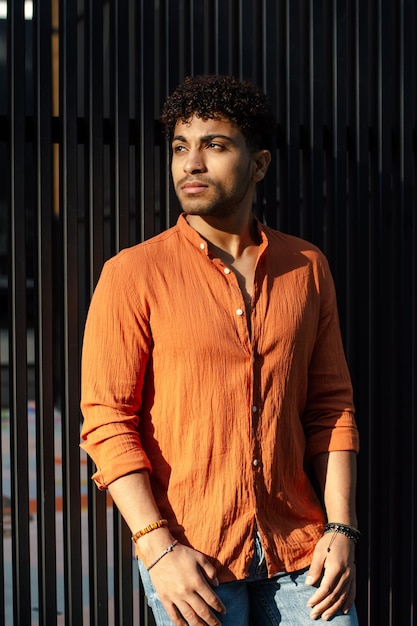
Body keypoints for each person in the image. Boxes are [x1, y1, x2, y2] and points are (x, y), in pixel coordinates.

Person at [80, 74, 360, 626]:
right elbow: (107, 421)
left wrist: (342, 527)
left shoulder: (307, 267)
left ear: (259, 164)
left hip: (303, 551)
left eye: (215, 145)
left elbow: (332, 406)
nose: (192, 164)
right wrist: (157, 549)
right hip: (192, 558)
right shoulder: (133, 273)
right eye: (181, 147)